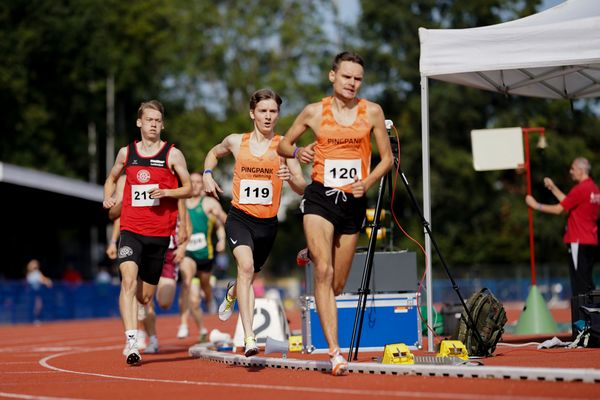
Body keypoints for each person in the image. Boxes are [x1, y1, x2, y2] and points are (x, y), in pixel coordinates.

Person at [277, 51, 393, 375]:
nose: (352, 83)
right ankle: (335, 353)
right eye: (346, 77)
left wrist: (367, 182)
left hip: (353, 204)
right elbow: (283, 145)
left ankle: (314, 251)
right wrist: (300, 151)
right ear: (333, 76)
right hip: (319, 198)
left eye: (357, 78)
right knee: (324, 273)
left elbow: (387, 159)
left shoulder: (372, 112)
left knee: (337, 284)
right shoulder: (314, 112)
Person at [203, 88, 306, 357]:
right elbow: (214, 152)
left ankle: (232, 293)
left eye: (273, 111)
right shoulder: (237, 142)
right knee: (245, 268)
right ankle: (250, 337)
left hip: (267, 226)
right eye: (263, 111)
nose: (268, 116)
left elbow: (303, 187)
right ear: (252, 113)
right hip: (239, 218)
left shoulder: (285, 147)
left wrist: (291, 177)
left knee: (247, 276)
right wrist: (206, 173)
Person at [103, 99, 191, 365]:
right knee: (127, 281)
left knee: (145, 296)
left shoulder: (172, 154)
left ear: (162, 124)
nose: (153, 124)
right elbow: (111, 178)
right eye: (148, 120)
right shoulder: (125, 153)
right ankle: (132, 341)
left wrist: (167, 192)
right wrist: (108, 197)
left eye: (157, 120)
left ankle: (139, 323)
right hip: (131, 228)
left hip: (160, 233)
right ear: (139, 122)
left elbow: (188, 188)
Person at [525, 157, 600, 297]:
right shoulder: (593, 188)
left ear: (581, 170)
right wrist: (553, 188)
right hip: (591, 240)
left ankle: (583, 318)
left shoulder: (581, 189)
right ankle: (591, 316)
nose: (571, 172)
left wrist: (536, 205)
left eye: (573, 168)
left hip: (578, 240)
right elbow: (569, 202)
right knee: (587, 282)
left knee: (580, 286)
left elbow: (560, 209)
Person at [177, 171, 227, 341]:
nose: (197, 185)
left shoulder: (209, 203)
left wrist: (222, 239)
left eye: (199, 182)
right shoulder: (181, 202)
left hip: (206, 254)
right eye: (193, 182)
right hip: (187, 252)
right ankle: (183, 323)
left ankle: (209, 298)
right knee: (187, 284)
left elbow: (223, 223)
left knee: (205, 285)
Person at [25, 259, 53, 323]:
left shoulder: (37, 272)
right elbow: (39, 280)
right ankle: (33, 319)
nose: (36, 266)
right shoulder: (30, 274)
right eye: (34, 265)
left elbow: (42, 278)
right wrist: (46, 281)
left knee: (39, 305)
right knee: (34, 305)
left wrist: (47, 281)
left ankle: (37, 318)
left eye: (36, 265)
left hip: (38, 291)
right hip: (32, 292)